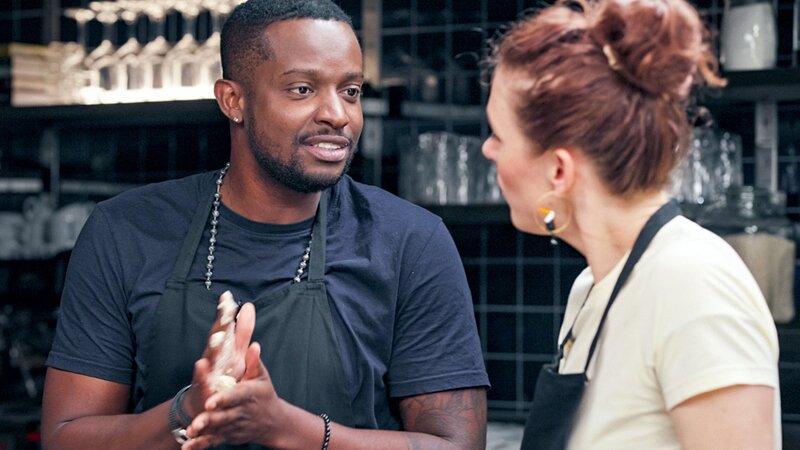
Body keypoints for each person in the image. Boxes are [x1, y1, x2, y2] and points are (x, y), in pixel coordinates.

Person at [41, 1, 490, 449]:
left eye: (350, 91)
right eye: (302, 89)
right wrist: (188, 409)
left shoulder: (410, 241)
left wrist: (288, 428)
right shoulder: (124, 231)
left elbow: (457, 446)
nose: (337, 114)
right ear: (232, 100)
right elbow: (64, 439)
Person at [481, 0, 781, 449]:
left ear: (559, 171)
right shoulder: (592, 288)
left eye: (499, 136)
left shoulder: (692, 284)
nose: (488, 151)